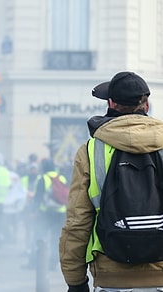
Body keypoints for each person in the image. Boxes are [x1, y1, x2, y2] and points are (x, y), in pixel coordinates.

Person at [59, 71, 163, 291]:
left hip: (111, 274)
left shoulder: (91, 150)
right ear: (146, 105)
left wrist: (75, 281)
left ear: (111, 103)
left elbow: (78, 221)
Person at [32, 157, 67, 270]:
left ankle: (37, 261)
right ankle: (53, 262)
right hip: (60, 212)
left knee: (40, 236)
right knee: (56, 238)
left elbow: (38, 197)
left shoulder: (42, 178)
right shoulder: (61, 177)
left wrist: (33, 211)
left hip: (46, 213)